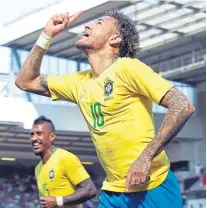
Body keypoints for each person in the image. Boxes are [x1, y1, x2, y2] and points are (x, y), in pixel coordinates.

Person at [16, 8, 195, 208]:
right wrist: (47, 35)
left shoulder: (127, 68)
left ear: (114, 40)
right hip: (112, 192)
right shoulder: (78, 82)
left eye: (99, 23)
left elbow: (182, 105)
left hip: (154, 186)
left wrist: (146, 157)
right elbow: (25, 82)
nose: (87, 25)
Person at [30, 116, 96, 208]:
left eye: (39, 134)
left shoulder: (65, 158)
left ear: (51, 137)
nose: (34, 138)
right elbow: (48, 202)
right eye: (32, 134)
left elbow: (90, 190)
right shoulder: (38, 169)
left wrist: (58, 201)